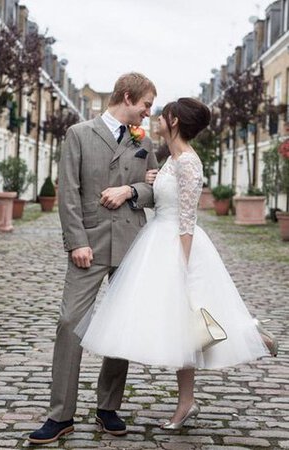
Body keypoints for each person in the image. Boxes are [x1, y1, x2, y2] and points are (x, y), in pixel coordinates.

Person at [79, 97, 278, 430]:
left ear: (173, 121)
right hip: (158, 237)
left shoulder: (187, 161)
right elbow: (162, 195)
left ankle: (249, 333)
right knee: (180, 331)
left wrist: (181, 266)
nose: (156, 117)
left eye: (163, 113)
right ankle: (187, 403)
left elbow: (188, 218)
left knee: (191, 318)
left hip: (177, 244)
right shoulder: (172, 160)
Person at [28, 72, 158, 444]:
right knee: (69, 323)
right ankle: (60, 415)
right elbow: (68, 192)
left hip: (131, 243)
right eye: (146, 104)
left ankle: (108, 408)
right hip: (89, 244)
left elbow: (155, 188)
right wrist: (76, 242)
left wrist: (131, 189)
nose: (149, 113)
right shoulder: (79, 134)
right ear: (128, 97)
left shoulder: (144, 140)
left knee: (122, 326)